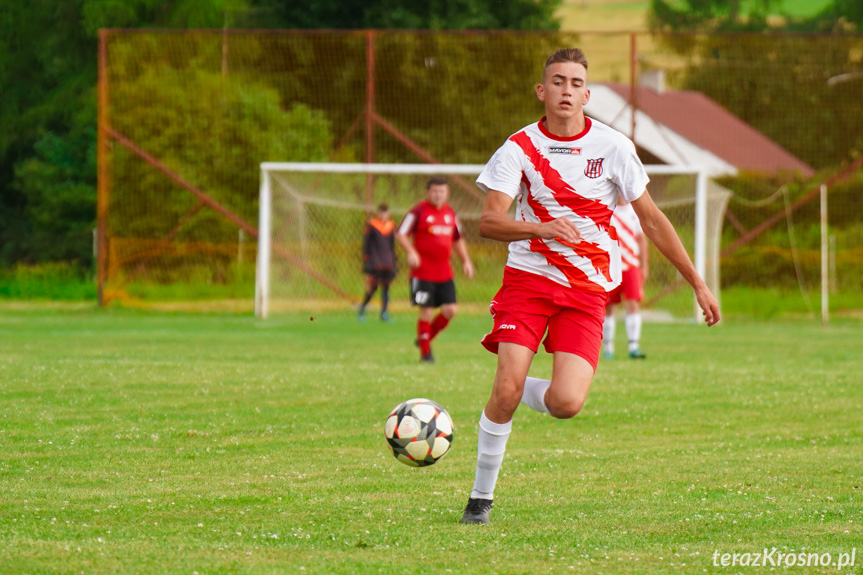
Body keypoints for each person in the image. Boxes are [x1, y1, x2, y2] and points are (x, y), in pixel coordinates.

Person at [461, 48, 720, 525]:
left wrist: (698, 284)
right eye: (557, 81)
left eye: (575, 83)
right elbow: (490, 222)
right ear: (542, 91)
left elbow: (654, 222)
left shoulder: (613, 146)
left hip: (585, 291)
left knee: (566, 403)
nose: (566, 90)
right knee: (505, 389)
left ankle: (515, 389)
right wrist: (543, 228)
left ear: (586, 93)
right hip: (528, 282)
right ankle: (480, 499)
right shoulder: (517, 147)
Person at [395, 177, 475, 363]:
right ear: (428, 192)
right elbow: (401, 233)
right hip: (423, 273)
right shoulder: (418, 211)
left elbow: (457, 239)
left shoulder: (450, 213)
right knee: (426, 311)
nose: (438, 195)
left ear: (447, 193)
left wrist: (466, 261)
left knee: (450, 310)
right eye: (435, 191)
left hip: (445, 272)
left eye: (442, 192)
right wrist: (411, 251)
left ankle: (425, 339)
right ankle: (426, 354)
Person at [602, 201, 649, 359]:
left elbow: (642, 240)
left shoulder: (634, 211)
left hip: (631, 266)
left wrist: (644, 266)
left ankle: (633, 346)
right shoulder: (608, 209)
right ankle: (608, 347)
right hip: (611, 267)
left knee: (633, 303)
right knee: (608, 307)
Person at [358, 203, 397, 322]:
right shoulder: (371, 225)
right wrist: (367, 260)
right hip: (375, 262)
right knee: (372, 288)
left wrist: (394, 260)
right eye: (381, 213)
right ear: (378, 213)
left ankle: (384, 313)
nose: (383, 215)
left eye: (385, 213)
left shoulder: (391, 226)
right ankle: (362, 309)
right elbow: (366, 244)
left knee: (386, 288)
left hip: (387, 262)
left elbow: (392, 245)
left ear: (388, 214)